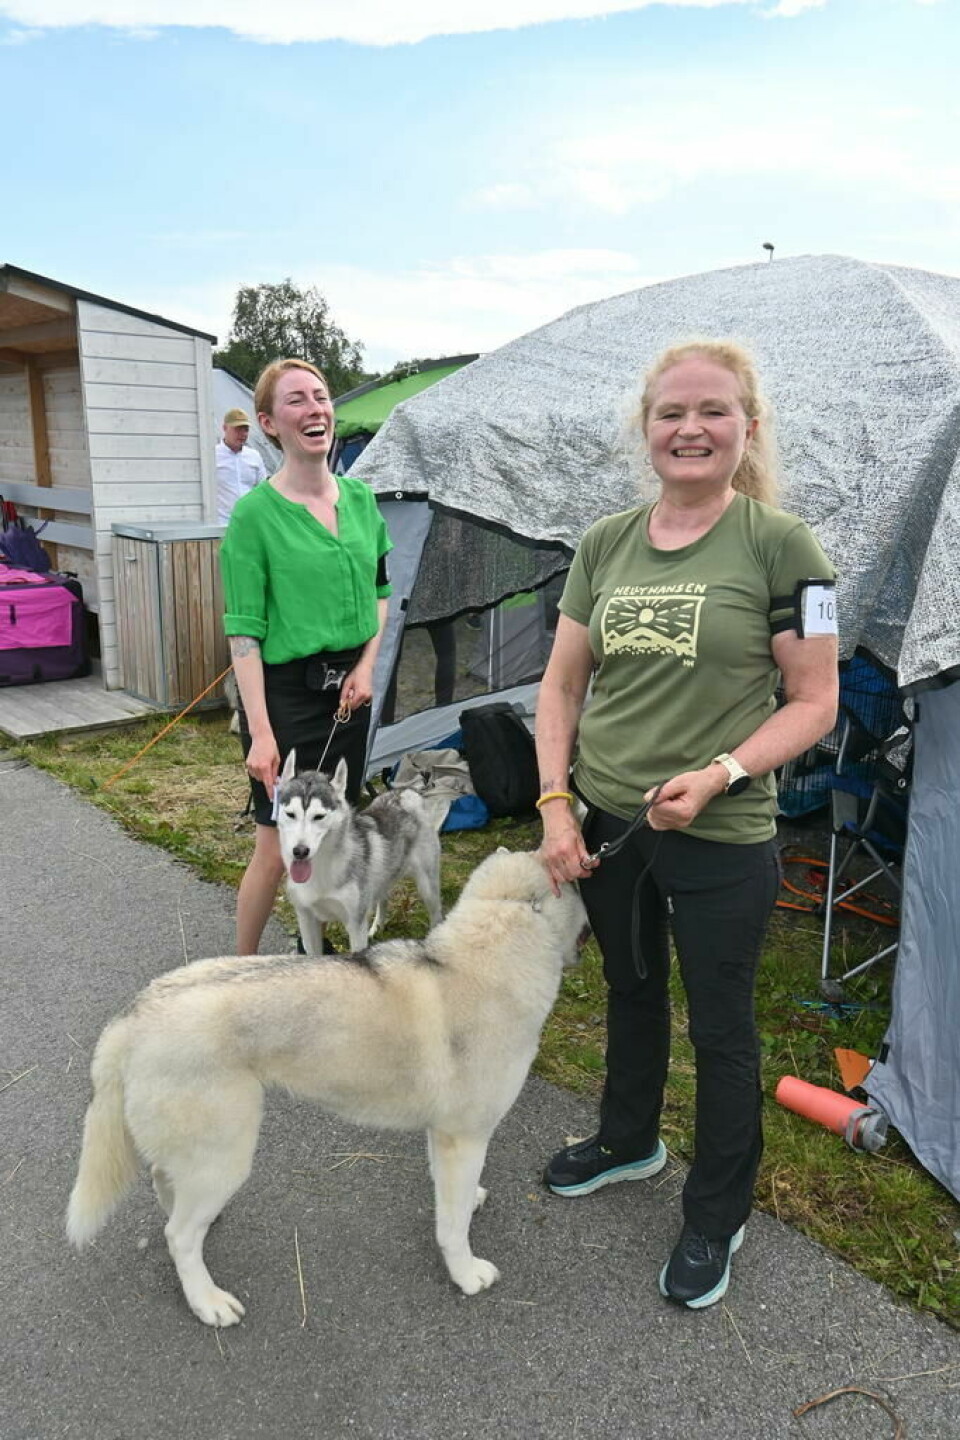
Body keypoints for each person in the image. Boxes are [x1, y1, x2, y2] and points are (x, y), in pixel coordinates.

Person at [535, 339, 838, 1310]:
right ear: (647, 427)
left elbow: (815, 699)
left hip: (720, 833)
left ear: (747, 426)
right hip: (612, 823)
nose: (690, 429)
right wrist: (553, 805)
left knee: (721, 1029)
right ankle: (628, 1141)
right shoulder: (605, 543)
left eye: (713, 411)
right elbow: (562, 684)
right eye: (672, 412)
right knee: (628, 991)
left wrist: (719, 772)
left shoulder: (783, 546)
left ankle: (716, 1213)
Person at [220, 359, 392, 954]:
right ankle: (237, 975)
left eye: (320, 396)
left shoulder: (364, 500)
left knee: (334, 830)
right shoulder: (254, 517)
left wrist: (368, 667)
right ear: (269, 423)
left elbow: (380, 596)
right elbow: (242, 634)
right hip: (285, 698)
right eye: (296, 400)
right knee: (275, 842)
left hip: (351, 694)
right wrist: (260, 734)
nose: (314, 408)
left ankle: (316, 948)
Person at [216, 407, 267, 523]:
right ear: (225, 428)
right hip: (222, 524)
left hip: (249, 523)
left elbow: (262, 489)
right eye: (237, 429)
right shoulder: (212, 456)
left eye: (245, 429)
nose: (242, 434)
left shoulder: (254, 456)